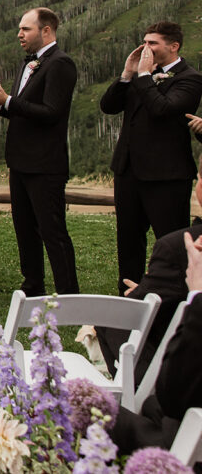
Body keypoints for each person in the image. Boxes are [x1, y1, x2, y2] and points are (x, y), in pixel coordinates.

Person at [0, 7, 79, 295]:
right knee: (24, 230)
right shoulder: (28, 64)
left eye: (26, 29)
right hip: (20, 161)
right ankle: (33, 287)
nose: (19, 34)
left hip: (46, 164)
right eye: (20, 29)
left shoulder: (61, 63)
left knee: (52, 232)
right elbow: (25, 111)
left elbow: (51, 112)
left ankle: (69, 294)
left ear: (46, 30)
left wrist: (8, 100)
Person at [100, 21, 202, 294]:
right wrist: (126, 74)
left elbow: (162, 109)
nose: (146, 47)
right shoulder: (140, 75)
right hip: (128, 171)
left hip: (166, 175)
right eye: (144, 41)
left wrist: (144, 76)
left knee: (170, 241)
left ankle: (175, 299)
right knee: (128, 241)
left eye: (152, 43)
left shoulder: (189, 78)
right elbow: (108, 106)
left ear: (173, 46)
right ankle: (127, 298)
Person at [96, 157, 202, 383]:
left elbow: (141, 307)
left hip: (184, 395)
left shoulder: (180, 247)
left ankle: (139, 397)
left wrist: (144, 295)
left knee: (113, 319)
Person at [111, 230, 202, 458]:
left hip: (185, 446)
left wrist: (198, 295)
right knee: (151, 405)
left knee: (87, 413)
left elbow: (175, 396)